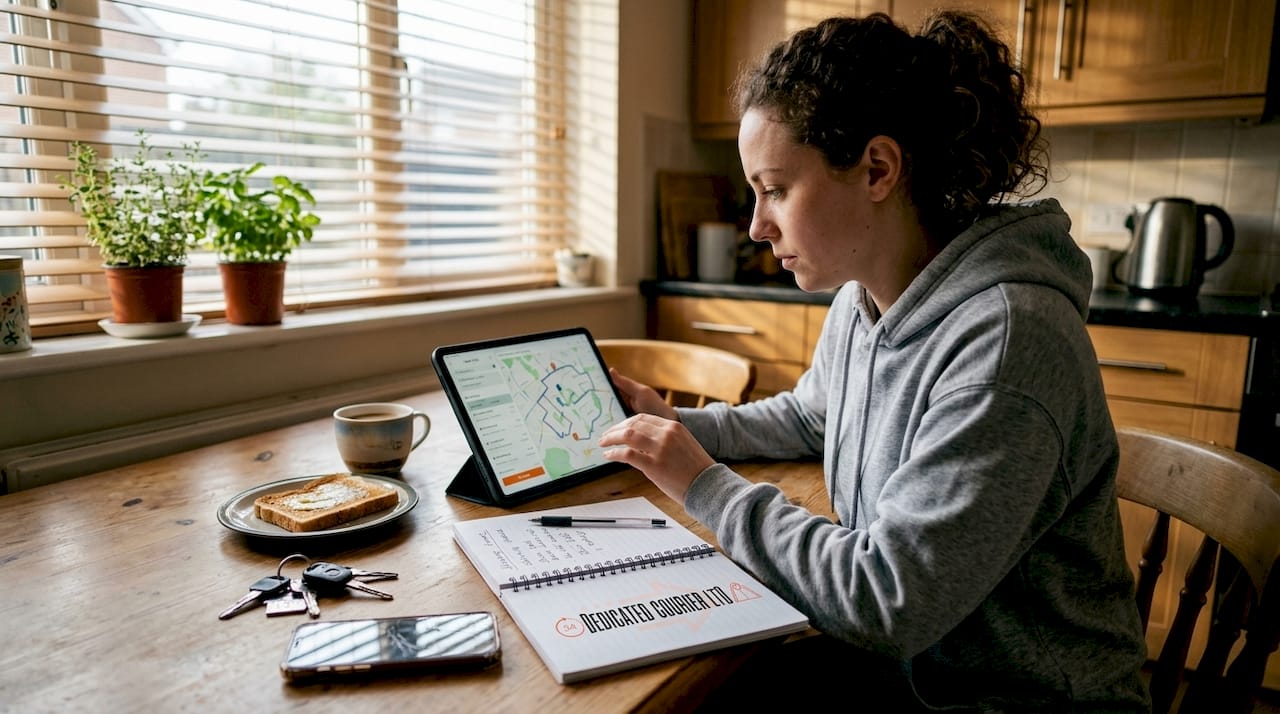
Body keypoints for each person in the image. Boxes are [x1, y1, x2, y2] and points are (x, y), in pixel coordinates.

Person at [599, 9, 1150, 712]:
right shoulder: (864, 302)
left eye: (775, 189)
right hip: (909, 673)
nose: (757, 226)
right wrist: (679, 426)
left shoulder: (1008, 340)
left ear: (878, 169)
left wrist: (704, 485)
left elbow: (888, 599)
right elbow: (811, 415)